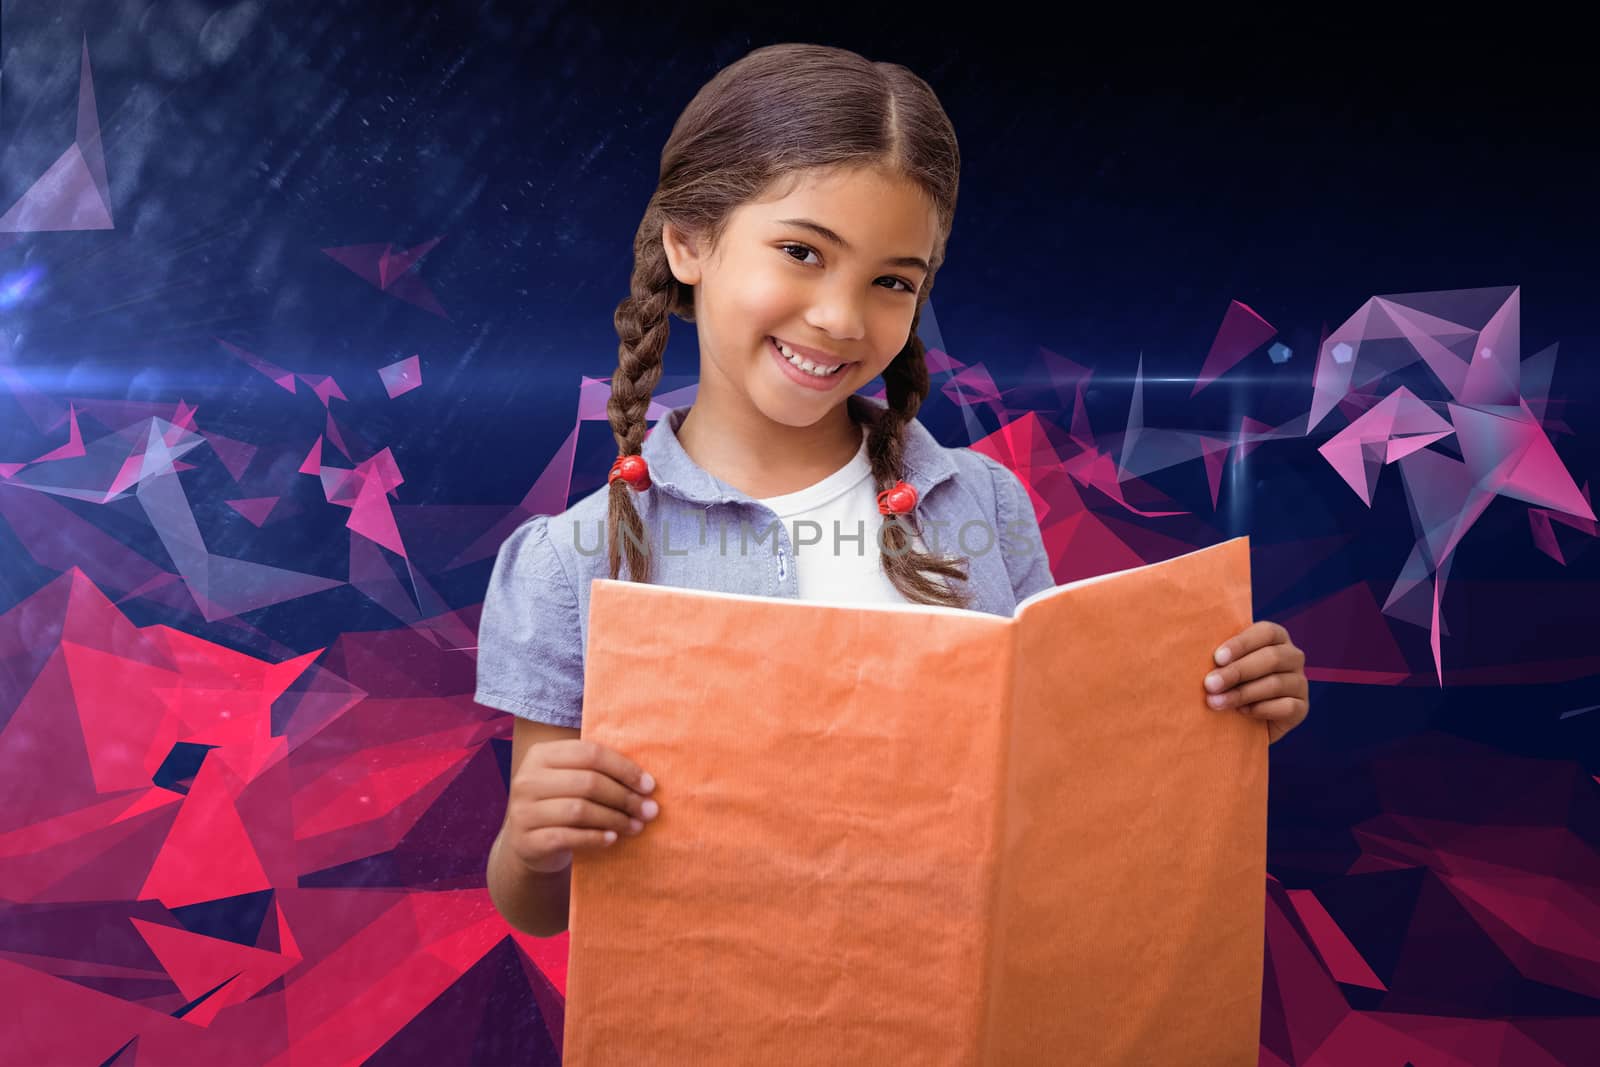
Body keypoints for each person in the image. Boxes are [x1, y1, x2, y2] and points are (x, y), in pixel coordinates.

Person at [477, 43, 1310, 939]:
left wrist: (1222, 715)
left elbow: (1066, 784)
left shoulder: (979, 504)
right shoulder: (573, 560)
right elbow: (543, 908)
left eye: (891, 282)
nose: (840, 317)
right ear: (688, 241)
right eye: (801, 251)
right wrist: (532, 843)